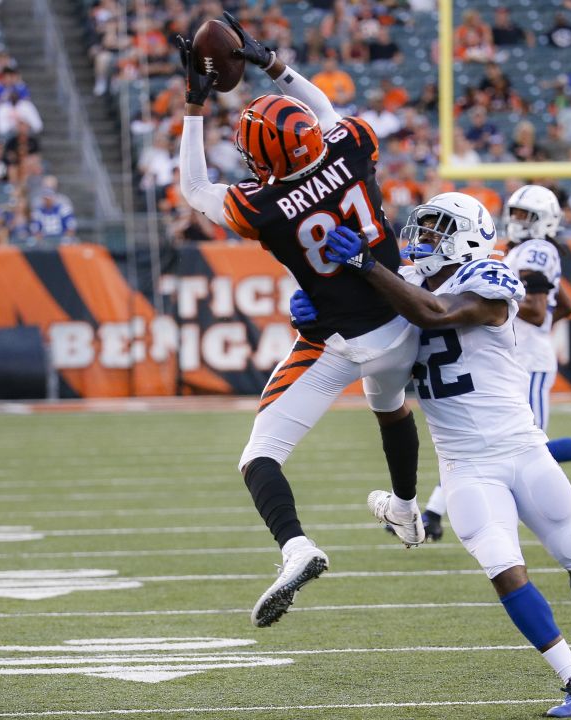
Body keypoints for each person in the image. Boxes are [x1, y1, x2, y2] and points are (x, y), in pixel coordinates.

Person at [307, 192, 571, 717]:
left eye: (438, 228)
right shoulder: (406, 283)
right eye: (424, 227)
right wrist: (321, 310)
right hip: (464, 463)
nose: (424, 238)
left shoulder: (492, 277)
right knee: (502, 566)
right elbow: (368, 315)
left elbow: (437, 314)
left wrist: (363, 265)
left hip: (521, 447)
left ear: (469, 234)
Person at [174, 14, 426, 628]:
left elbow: (191, 186)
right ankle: (405, 507)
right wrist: (272, 63)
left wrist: (194, 100)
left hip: (341, 340)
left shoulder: (260, 207)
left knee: (260, 454)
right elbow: (322, 107)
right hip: (402, 322)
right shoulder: (350, 143)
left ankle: (297, 546)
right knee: (390, 406)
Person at [415, 186, 571, 542]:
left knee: (522, 447)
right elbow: (565, 307)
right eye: (514, 213)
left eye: (525, 215)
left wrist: (506, 310)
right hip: (513, 356)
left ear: (545, 220)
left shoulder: (538, 249)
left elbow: (536, 307)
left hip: (527, 359)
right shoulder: (517, 251)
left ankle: (436, 514)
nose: (516, 221)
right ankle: (434, 513)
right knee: (481, 438)